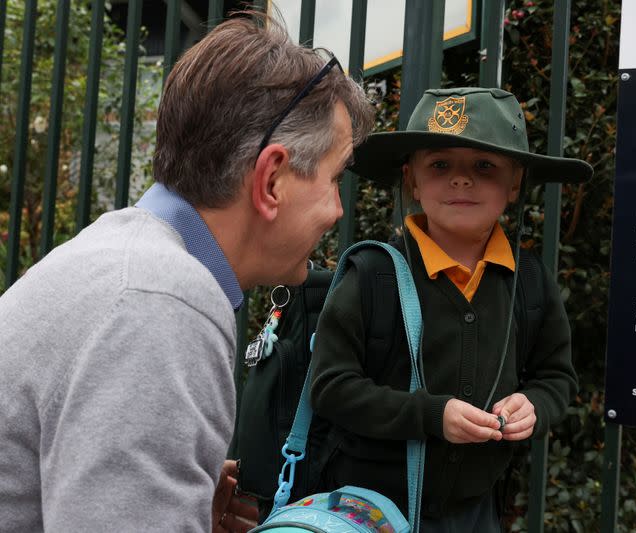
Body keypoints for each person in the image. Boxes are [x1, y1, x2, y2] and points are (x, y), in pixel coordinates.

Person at [0, 13, 374, 532]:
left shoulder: (126, 253)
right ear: (272, 180)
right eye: (335, 178)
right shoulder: (164, 303)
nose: (337, 209)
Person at [309, 87, 592, 532]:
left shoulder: (530, 282)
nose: (461, 180)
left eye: (485, 166)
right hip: (367, 511)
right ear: (411, 180)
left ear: (515, 182)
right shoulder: (372, 276)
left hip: (477, 513)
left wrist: (534, 405)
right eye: (440, 165)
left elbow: (556, 377)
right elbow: (330, 387)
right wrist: (430, 416)